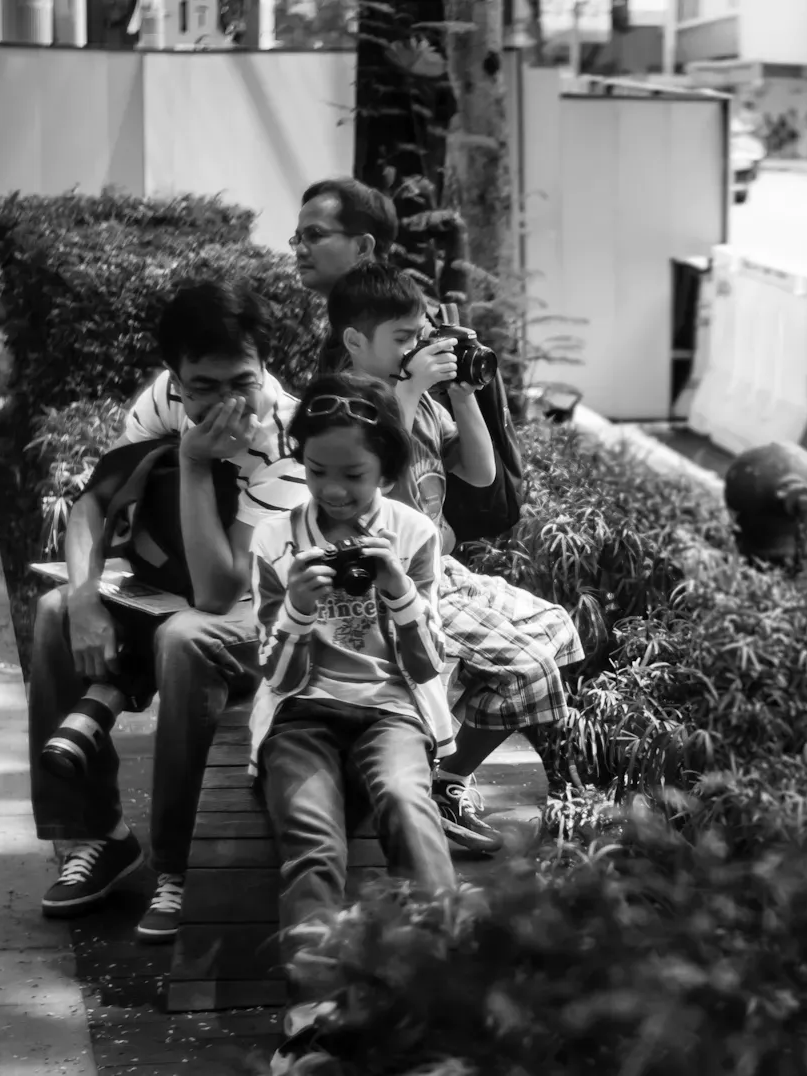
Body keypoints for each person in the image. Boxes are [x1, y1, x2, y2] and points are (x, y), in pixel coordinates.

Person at [30, 278, 307, 941]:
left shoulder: (291, 444)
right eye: (201, 387)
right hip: (170, 586)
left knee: (184, 638)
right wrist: (85, 598)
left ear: (263, 364)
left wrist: (189, 461)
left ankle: (177, 867)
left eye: (238, 382)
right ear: (178, 376)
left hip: (266, 612)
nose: (220, 403)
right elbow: (94, 505)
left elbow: (222, 593)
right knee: (53, 612)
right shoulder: (166, 396)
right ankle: (96, 837)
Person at [319, 258, 585, 855]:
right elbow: (369, 492)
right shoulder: (347, 403)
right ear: (356, 341)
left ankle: (445, 775)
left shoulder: (427, 401)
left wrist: (467, 395)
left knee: (558, 631)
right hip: (386, 584)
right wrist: (408, 390)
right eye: (404, 339)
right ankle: (442, 775)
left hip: (442, 570)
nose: (419, 349)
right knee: (528, 669)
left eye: (422, 335)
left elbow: (480, 473)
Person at [250, 371, 457, 1073]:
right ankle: (310, 1019)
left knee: (406, 799)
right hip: (301, 712)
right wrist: (298, 609)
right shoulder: (276, 537)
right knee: (312, 837)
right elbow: (274, 676)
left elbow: (427, 667)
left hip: (390, 709)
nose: (334, 491)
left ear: (389, 471)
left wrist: (398, 588)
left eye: (355, 476)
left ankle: (437, 1001)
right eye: (315, 471)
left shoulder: (413, 532)